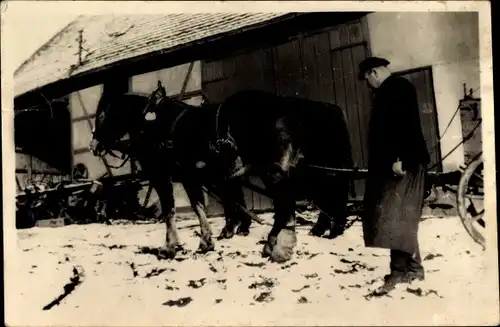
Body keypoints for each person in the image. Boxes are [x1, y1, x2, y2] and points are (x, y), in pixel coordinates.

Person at [358, 57, 430, 294]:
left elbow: (404, 125)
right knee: (402, 217)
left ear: (373, 72)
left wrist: (400, 158)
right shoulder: (393, 88)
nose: (368, 84)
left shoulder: (396, 88)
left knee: (395, 218)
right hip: (397, 164)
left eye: (367, 78)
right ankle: (414, 269)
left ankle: (399, 273)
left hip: (402, 164)